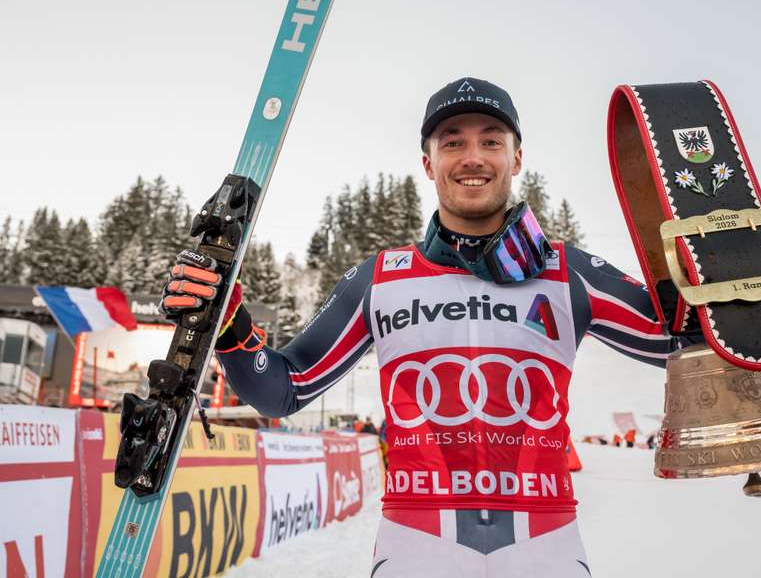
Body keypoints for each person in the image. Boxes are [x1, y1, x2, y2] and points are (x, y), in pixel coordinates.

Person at [160, 77, 702, 577]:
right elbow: (285, 389)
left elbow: (681, 344)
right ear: (428, 163)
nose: (473, 157)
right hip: (416, 544)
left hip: (547, 542)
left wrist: (717, 284)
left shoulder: (568, 271)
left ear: (517, 159)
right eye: (452, 142)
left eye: (491, 141)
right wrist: (227, 322)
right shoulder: (380, 279)